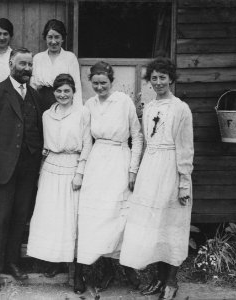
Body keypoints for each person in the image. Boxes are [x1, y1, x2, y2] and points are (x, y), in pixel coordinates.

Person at [119, 57, 194, 300]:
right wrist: (137, 171)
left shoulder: (181, 108)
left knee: (172, 225)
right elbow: (146, 141)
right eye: (154, 78)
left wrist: (184, 183)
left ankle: (172, 280)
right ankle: (159, 277)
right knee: (154, 226)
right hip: (150, 170)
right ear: (149, 81)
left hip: (171, 169)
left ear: (171, 79)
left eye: (163, 77)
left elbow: (185, 147)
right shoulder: (149, 107)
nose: (159, 82)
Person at [0, 48, 43, 293]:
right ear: (11, 63)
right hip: (2, 167)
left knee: (19, 216)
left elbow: (38, 131)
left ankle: (12, 261)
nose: (27, 68)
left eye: (30, 65)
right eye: (22, 64)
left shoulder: (34, 96)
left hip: (28, 168)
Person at [76, 61, 143, 292]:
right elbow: (86, 142)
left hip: (120, 160)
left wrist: (133, 169)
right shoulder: (89, 105)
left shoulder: (123, 102)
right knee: (99, 216)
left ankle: (127, 266)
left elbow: (137, 136)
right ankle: (106, 268)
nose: (99, 87)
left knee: (121, 215)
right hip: (97, 163)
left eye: (103, 82)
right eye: (95, 83)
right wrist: (81, 172)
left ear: (111, 81)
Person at [27, 74, 92, 294]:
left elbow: (86, 145)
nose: (63, 95)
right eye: (59, 91)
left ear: (73, 92)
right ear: (54, 92)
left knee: (71, 219)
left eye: (67, 91)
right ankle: (54, 261)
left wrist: (80, 173)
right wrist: (39, 173)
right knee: (51, 217)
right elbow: (45, 147)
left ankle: (78, 273)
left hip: (72, 166)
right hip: (50, 167)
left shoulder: (82, 112)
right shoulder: (47, 115)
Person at [31, 19, 82, 111]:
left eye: (57, 37)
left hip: (64, 103)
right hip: (41, 104)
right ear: (45, 38)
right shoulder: (38, 58)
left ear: (63, 38)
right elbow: (32, 86)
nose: (53, 41)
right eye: (50, 37)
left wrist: (77, 111)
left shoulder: (70, 58)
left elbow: (76, 86)